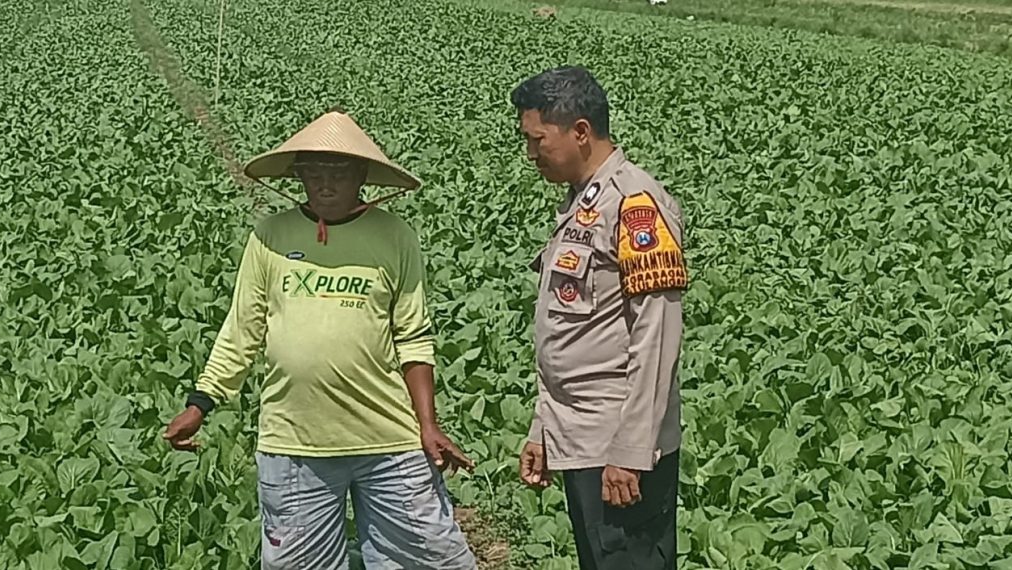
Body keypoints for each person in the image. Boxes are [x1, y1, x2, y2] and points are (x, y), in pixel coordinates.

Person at [162, 108, 479, 570]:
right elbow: (242, 330)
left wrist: (428, 425)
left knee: (429, 558)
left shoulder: (394, 236)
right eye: (314, 172)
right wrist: (200, 404)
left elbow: (413, 337)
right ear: (299, 176)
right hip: (294, 443)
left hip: (387, 438)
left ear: (362, 176)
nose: (326, 184)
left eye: (339, 171)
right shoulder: (271, 236)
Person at [512, 66, 687, 570]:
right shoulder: (583, 203)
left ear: (581, 132)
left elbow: (656, 336)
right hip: (580, 437)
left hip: (618, 445)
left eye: (538, 140)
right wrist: (543, 427)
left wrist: (632, 451)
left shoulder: (636, 204)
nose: (531, 154)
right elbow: (572, 331)